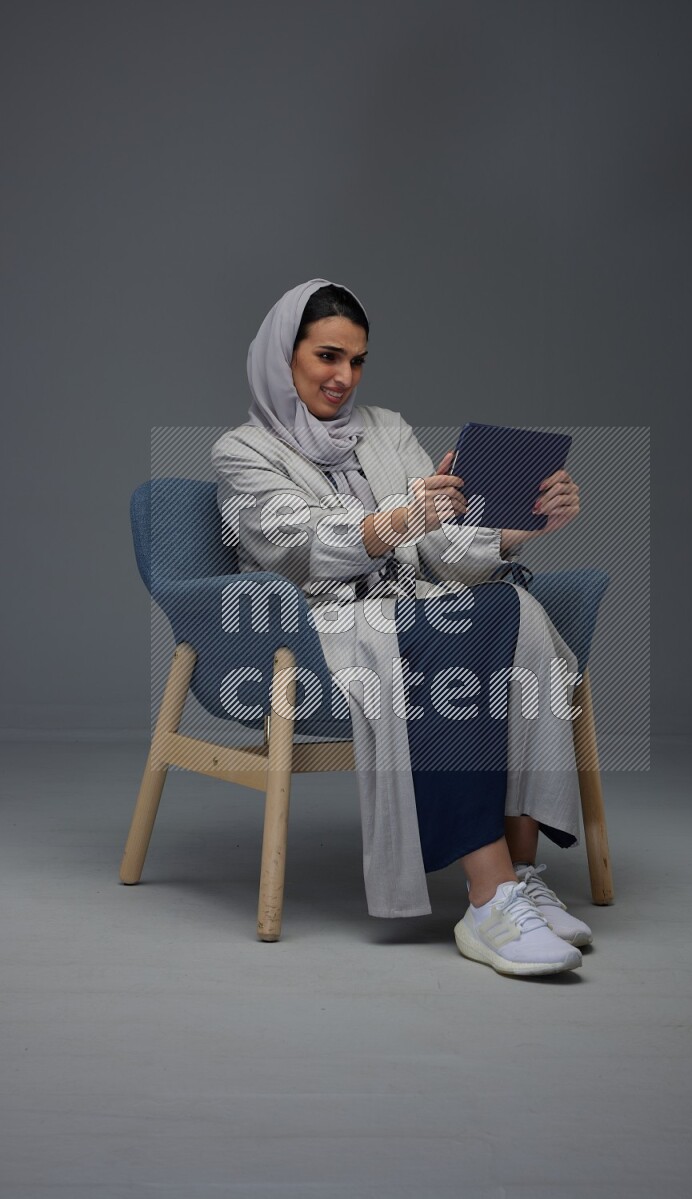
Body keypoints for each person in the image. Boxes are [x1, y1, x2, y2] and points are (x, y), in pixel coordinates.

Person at [211, 278, 592, 979]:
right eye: (327, 356)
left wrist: (512, 530)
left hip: (414, 603)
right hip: (322, 627)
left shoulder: (385, 428)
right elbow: (292, 545)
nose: (343, 377)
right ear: (280, 356)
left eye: (356, 361)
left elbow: (439, 545)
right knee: (452, 628)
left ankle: (523, 870)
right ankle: (490, 897)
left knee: (515, 609)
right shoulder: (242, 451)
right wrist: (393, 522)